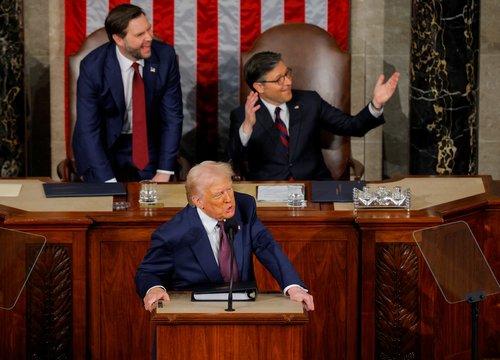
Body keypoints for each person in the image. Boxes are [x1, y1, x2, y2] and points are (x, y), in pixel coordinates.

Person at [135, 161, 314, 312]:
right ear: (198, 201)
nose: (229, 199)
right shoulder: (172, 234)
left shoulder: (244, 207)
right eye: (219, 194)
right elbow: (147, 273)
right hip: (194, 316)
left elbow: (266, 246)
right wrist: (154, 289)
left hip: (243, 309)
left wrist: (293, 286)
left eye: (229, 189)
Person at [226, 51, 400, 180]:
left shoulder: (310, 101)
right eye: (279, 79)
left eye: (287, 73)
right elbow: (233, 159)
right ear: (259, 87)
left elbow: (352, 126)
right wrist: (247, 127)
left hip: (314, 186)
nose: (288, 81)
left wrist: (377, 103)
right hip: (268, 191)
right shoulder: (242, 115)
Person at [73, 4, 183, 183]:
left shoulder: (165, 56)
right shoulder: (92, 67)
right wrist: (107, 182)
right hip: (102, 145)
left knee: (152, 204)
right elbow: (88, 129)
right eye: (140, 34)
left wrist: (164, 171)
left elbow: (173, 116)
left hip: (147, 143)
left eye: (148, 29)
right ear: (119, 40)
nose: (149, 37)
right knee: (106, 204)